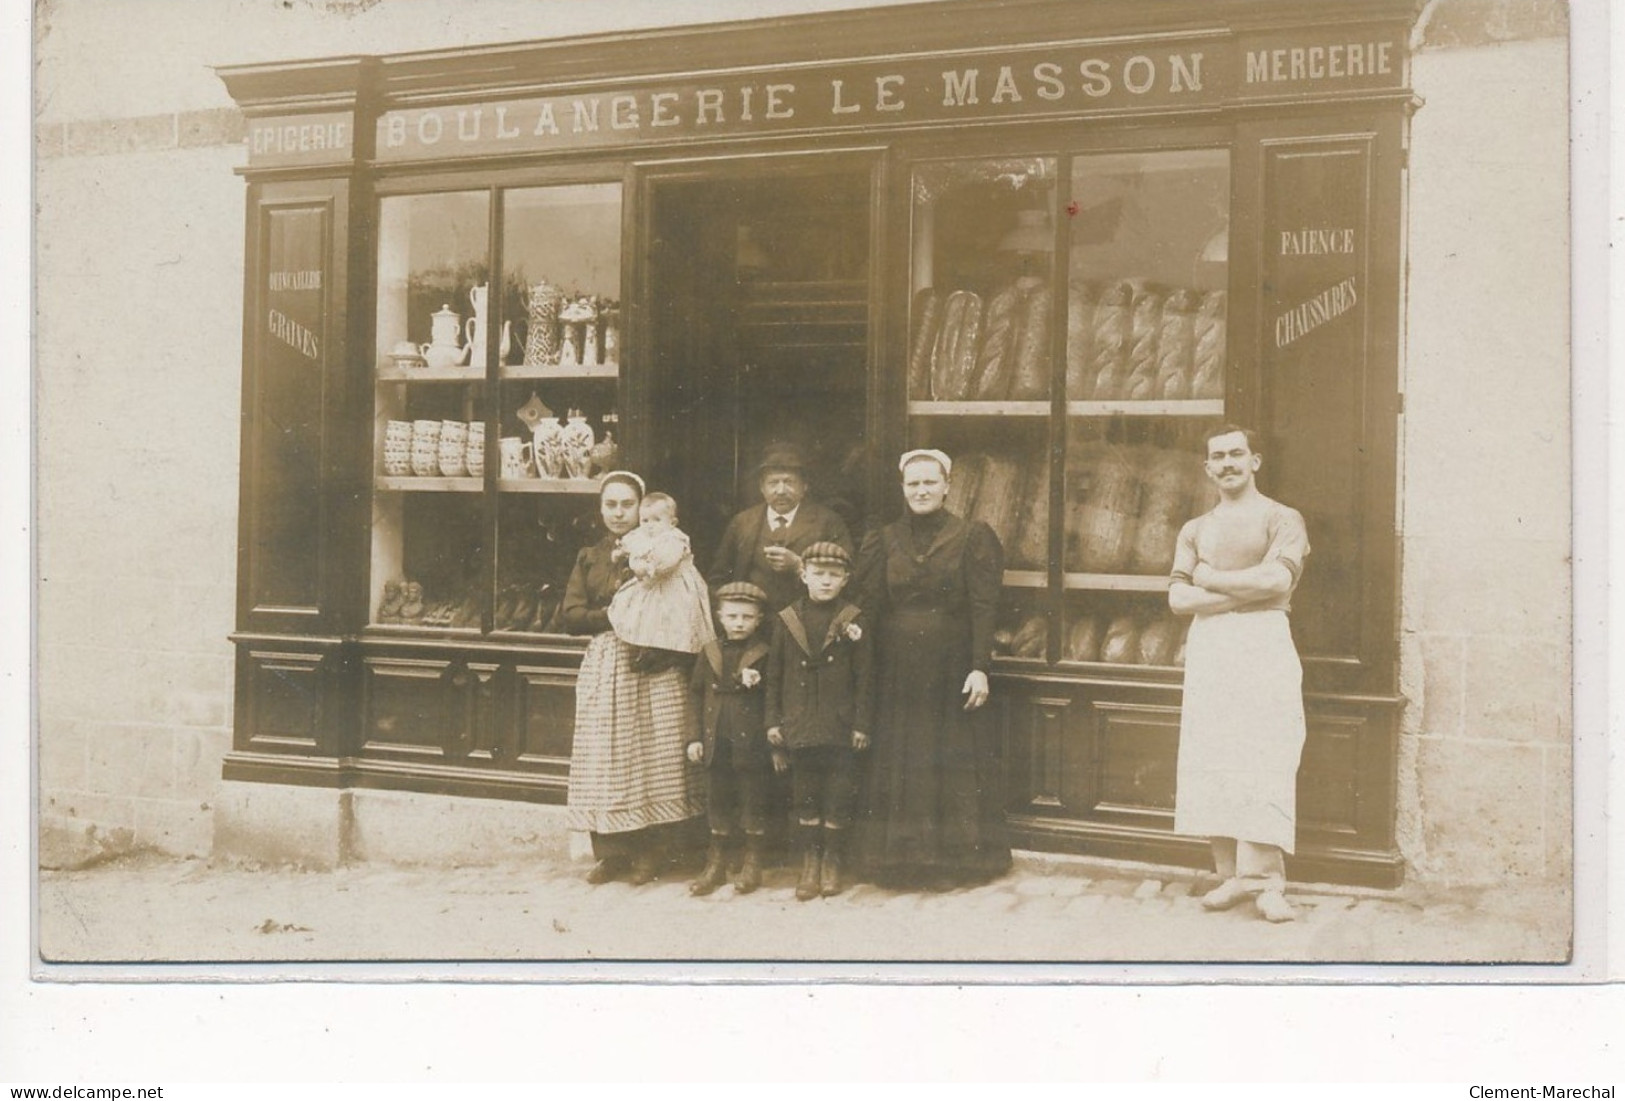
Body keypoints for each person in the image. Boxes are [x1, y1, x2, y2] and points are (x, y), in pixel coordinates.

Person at [1168, 425, 1311, 924]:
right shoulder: (1194, 528)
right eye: (1217, 457)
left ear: (1256, 460)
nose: (1227, 463)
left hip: (1263, 641)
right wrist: (1239, 591)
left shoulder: (1282, 518)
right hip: (1211, 649)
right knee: (1216, 753)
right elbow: (1178, 598)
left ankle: (1268, 881)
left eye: (1236, 454)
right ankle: (1231, 874)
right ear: (1207, 468)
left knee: (1267, 752)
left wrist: (1210, 580)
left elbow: (1278, 580)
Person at [854, 449, 1012, 889]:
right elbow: (868, 609)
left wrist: (980, 667)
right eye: (912, 484)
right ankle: (899, 859)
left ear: (947, 486)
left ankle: (952, 862)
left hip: (950, 664)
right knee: (902, 753)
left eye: (929, 482)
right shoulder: (883, 540)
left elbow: (985, 607)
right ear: (903, 489)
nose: (921, 491)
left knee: (947, 754)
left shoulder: (973, 536)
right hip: (897, 668)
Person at [562, 471, 705, 886]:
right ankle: (612, 853)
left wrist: (659, 645)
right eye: (611, 505)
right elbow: (571, 615)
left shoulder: (665, 550)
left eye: (628, 505)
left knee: (655, 754)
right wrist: (614, 617)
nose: (620, 513)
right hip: (609, 661)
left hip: (656, 662)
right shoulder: (590, 555)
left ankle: (654, 851)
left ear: (643, 508)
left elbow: (683, 607)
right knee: (608, 757)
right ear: (601, 509)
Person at [765, 541, 875, 900]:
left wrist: (861, 724)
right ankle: (810, 861)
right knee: (805, 794)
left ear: (845, 580)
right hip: (799, 723)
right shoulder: (787, 619)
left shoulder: (853, 619)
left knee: (839, 793)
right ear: (803, 575)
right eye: (818, 574)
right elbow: (774, 676)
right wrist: (773, 723)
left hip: (839, 725)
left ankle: (832, 860)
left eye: (833, 575)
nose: (825, 582)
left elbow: (865, 677)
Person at [684, 581, 778, 896]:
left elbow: (773, 698)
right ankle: (717, 861)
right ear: (720, 617)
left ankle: (752, 860)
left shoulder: (765, 653)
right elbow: (696, 696)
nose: (739, 623)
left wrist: (772, 739)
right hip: (715, 742)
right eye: (733, 616)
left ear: (759, 620)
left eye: (747, 617)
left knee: (753, 798)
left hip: (750, 743)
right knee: (718, 798)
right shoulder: (709, 651)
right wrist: (694, 738)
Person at [708, 443, 854, 612]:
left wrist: (798, 565)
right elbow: (717, 579)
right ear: (762, 488)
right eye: (773, 483)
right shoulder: (742, 522)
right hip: (753, 624)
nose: (780, 490)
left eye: (789, 482)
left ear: (804, 486)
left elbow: (849, 576)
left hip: (806, 621)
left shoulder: (828, 521)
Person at [607, 491, 715, 670]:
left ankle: (669, 654)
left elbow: (668, 561)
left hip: (674, 587)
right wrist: (620, 552)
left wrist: (649, 567)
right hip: (650, 586)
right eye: (645, 520)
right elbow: (628, 543)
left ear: (672, 522)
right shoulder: (641, 535)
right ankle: (645, 649)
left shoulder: (673, 538)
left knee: (672, 620)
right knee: (643, 616)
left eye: (657, 520)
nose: (650, 526)